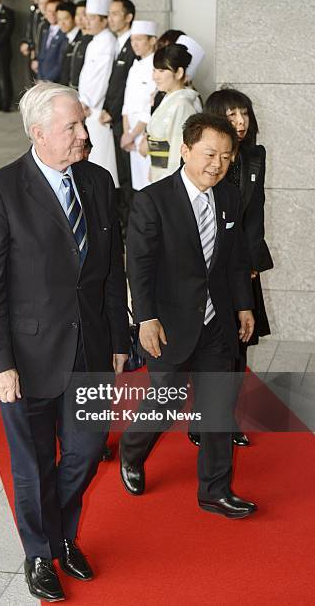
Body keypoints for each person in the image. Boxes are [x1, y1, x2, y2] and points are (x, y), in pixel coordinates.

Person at [0, 82, 129, 602]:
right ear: (38, 133)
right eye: (73, 127)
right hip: (27, 356)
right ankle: (42, 551)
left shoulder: (99, 182)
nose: (84, 134)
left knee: (83, 454)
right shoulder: (0, 191)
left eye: (82, 124)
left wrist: (118, 340)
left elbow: (109, 272)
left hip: (91, 350)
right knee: (33, 462)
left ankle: (57, 532)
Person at [120, 112, 258, 520]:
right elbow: (138, 266)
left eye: (227, 157)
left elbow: (233, 261)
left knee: (218, 405)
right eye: (209, 153)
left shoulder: (229, 197)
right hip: (168, 323)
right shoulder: (153, 201)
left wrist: (243, 304)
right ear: (185, 150)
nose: (217, 164)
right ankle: (132, 450)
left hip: (217, 322)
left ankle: (215, 491)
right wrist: (145, 318)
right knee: (167, 401)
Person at [185, 87, 274, 448]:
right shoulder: (205, 156)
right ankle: (200, 418)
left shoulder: (254, 156)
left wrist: (251, 262)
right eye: (232, 115)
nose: (240, 122)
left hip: (242, 268)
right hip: (207, 268)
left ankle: (225, 419)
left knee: (240, 347)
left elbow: (256, 212)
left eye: (245, 114)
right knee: (207, 348)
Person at [100, 0, 136, 230]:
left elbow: (125, 88)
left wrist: (110, 110)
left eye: (115, 13)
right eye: (109, 13)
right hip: (114, 117)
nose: (110, 18)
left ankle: (130, 224)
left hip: (125, 120)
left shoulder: (132, 45)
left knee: (127, 175)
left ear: (128, 17)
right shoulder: (119, 43)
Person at [139, 44, 200, 183]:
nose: (155, 76)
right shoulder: (168, 98)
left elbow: (177, 151)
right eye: (154, 70)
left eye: (161, 71)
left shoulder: (182, 104)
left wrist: (170, 182)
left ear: (178, 73)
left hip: (168, 175)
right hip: (158, 170)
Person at [78, 0, 118, 186]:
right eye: (87, 16)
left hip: (95, 106)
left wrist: (87, 101)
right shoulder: (94, 41)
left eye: (93, 17)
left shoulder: (108, 41)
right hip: (86, 105)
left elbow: (102, 77)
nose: (88, 21)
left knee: (101, 159)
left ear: (104, 19)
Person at [121, 20, 157, 190]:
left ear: (152, 40)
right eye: (132, 39)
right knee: (138, 185)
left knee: (150, 184)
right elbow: (126, 104)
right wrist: (126, 132)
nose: (134, 44)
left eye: (139, 39)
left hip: (146, 133)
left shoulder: (156, 67)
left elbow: (150, 108)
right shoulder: (134, 67)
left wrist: (133, 133)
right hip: (131, 134)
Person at [35, 0, 67, 82]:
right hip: (42, 81)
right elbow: (41, 56)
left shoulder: (64, 33)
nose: (52, 14)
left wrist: (47, 80)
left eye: (55, 11)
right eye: (49, 11)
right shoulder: (46, 30)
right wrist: (39, 78)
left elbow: (61, 63)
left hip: (55, 82)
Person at [68, 0, 92, 90]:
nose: (79, 18)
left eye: (84, 14)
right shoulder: (76, 37)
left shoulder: (92, 41)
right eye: (77, 14)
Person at [57, 0, 82, 86]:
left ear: (74, 18)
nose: (62, 23)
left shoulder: (81, 38)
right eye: (59, 19)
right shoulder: (65, 38)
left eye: (66, 19)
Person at [20, 0, 41, 81]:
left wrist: (33, 49)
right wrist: (26, 42)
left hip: (39, 54)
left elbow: (39, 35)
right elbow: (30, 30)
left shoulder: (43, 11)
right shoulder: (34, 8)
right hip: (32, 52)